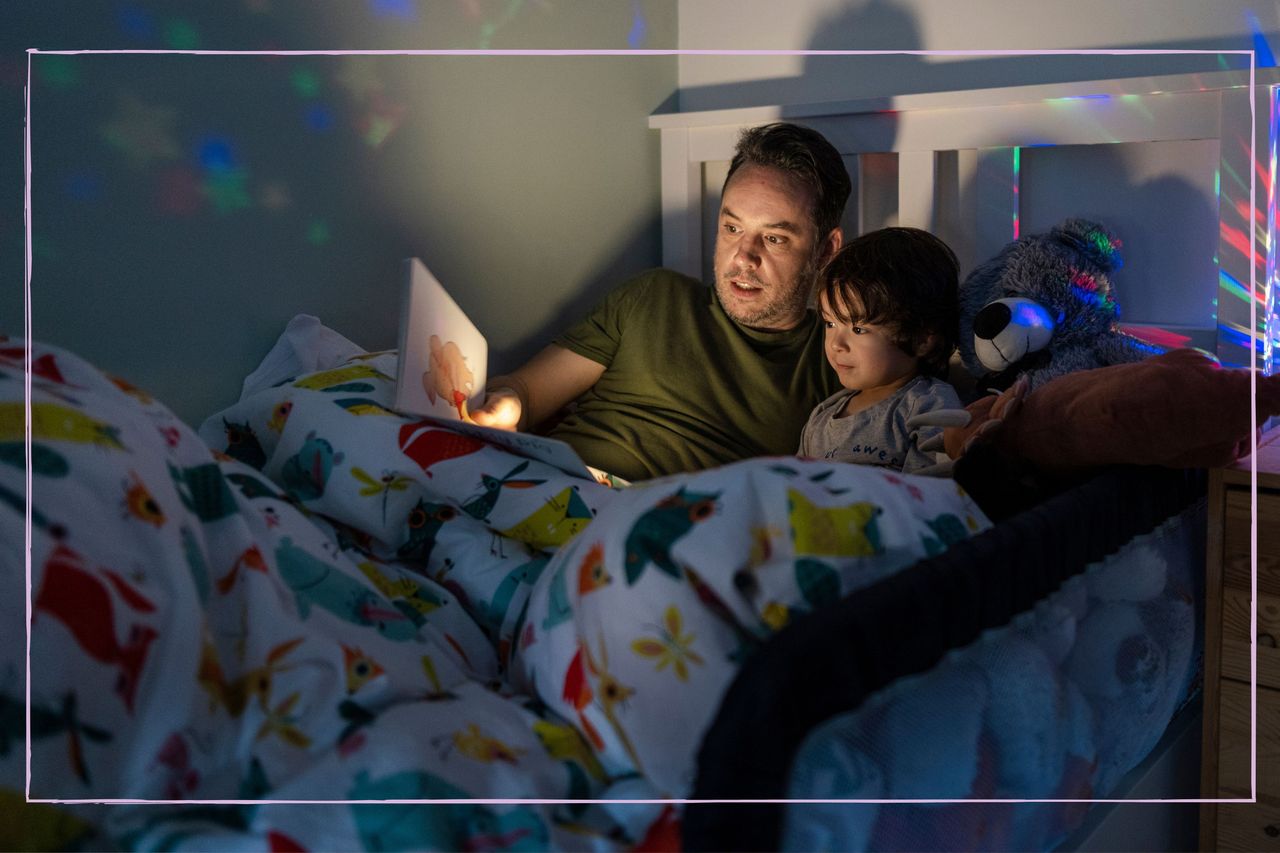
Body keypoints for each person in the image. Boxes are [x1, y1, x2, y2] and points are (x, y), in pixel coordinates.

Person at [470, 122, 851, 483]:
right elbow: (527, 391)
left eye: (774, 239)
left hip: (674, 528)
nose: (742, 257)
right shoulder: (654, 296)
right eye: (732, 228)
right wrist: (507, 404)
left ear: (825, 251)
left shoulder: (838, 357)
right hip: (555, 488)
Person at [797, 227, 962, 474]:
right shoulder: (821, 418)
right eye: (831, 324)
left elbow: (930, 497)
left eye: (858, 330)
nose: (835, 344)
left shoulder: (927, 405)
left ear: (921, 339)